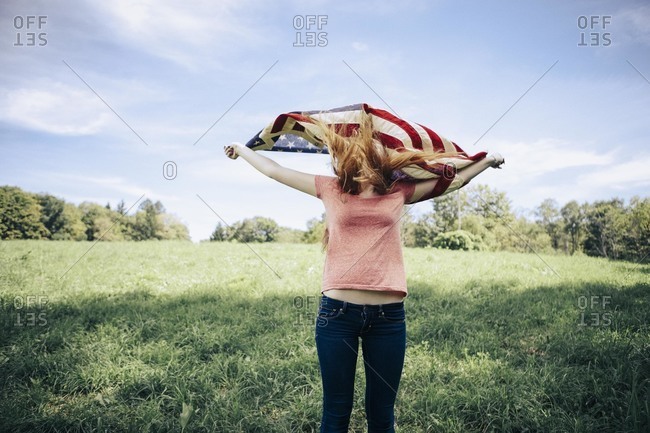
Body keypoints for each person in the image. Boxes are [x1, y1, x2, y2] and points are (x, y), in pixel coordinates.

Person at [224, 113, 504, 432]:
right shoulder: (329, 188)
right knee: (336, 412)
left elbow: (452, 179)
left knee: (382, 415)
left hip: (388, 319)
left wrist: (487, 161)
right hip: (337, 316)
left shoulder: (399, 191)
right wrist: (242, 149)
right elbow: (275, 170)